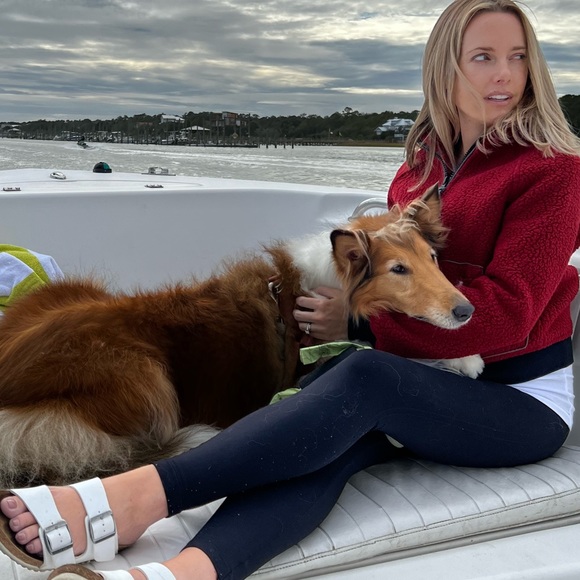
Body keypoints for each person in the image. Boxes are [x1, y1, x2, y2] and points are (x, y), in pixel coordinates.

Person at [2, 1, 580, 579]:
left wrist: (358, 325)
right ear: (444, 68)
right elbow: (390, 286)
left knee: (363, 375)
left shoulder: (554, 169)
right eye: (483, 57)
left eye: (518, 57)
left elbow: (510, 313)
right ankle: (180, 573)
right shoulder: (418, 171)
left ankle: (127, 500)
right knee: (316, 437)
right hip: (429, 379)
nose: (504, 74)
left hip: (517, 400)